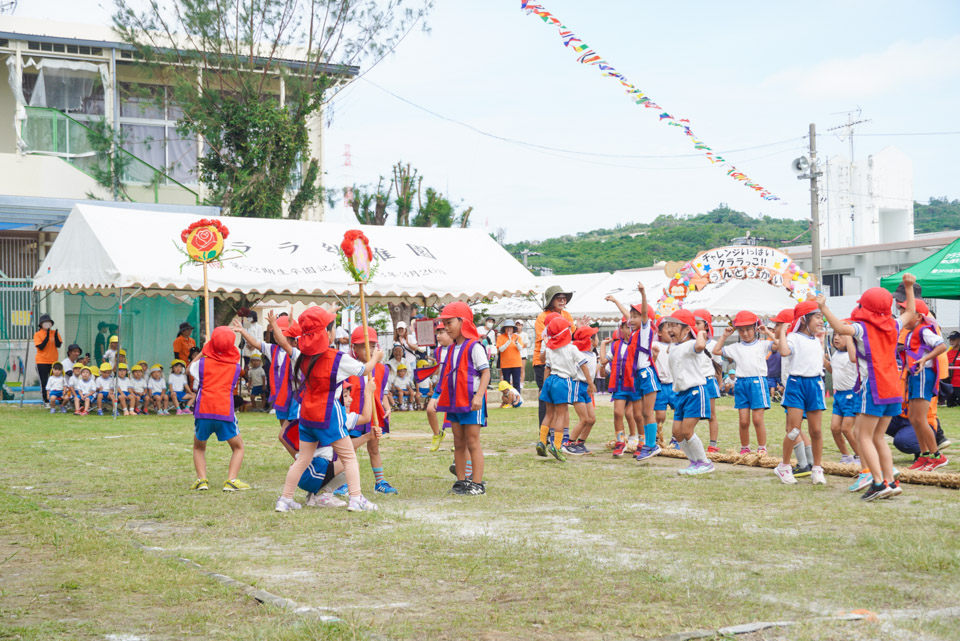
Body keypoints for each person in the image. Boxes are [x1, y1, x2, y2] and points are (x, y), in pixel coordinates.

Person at [272, 307, 383, 513]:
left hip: (306, 415)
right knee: (349, 457)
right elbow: (364, 370)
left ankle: (285, 499)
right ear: (327, 333)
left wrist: (274, 326)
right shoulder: (337, 358)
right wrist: (376, 357)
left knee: (302, 460)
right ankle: (356, 498)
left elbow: (284, 344)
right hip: (328, 415)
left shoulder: (301, 356)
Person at [820, 278, 914, 500]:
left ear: (866, 307)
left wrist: (824, 308)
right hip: (893, 387)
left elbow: (841, 327)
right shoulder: (894, 324)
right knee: (879, 437)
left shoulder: (862, 328)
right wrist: (909, 287)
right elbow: (910, 312)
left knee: (864, 436)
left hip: (873, 386)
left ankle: (879, 483)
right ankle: (890, 480)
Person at [430, 302, 491, 495]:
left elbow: (486, 373)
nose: (446, 327)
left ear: (462, 321)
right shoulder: (449, 349)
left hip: (472, 401)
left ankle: (477, 483)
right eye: (444, 323)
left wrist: (479, 396)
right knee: (458, 442)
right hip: (455, 402)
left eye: (449, 322)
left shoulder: (475, 346)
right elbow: (446, 375)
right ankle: (462, 481)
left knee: (473, 441)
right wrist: (438, 396)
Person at [188, 326, 250, 492]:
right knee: (238, 447)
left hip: (204, 411)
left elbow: (190, 368)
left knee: (199, 447)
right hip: (224, 412)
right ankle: (231, 480)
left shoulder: (202, 364)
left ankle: (202, 480)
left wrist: (204, 350)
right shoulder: (236, 367)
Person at [606, 282, 661, 462]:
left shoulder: (645, 329)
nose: (631, 319)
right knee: (644, 413)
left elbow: (644, 314)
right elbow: (628, 316)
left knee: (647, 413)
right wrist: (616, 302)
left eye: (635, 316)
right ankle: (647, 444)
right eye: (631, 316)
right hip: (638, 376)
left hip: (647, 374)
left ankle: (651, 445)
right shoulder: (635, 331)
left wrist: (643, 293)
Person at [339, 326, 397, 495]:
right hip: (354, 416)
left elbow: (382, 392)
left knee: (374, 448)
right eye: (364, 346)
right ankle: (344, 482)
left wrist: (387, 407)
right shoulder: (349, 367)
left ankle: (380, 482)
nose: (369, 350)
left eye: (372, 346)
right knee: (350, 450)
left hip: (373, 415)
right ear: (354, 348)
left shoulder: (380, 369)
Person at [234, 315, 302, 458]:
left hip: (295, 398)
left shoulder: (298, 352)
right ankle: (300, 460)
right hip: (281, 398)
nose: (276, 334)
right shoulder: (273, 349)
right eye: (274, 331)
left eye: (279, 331)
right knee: (287, 436)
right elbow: (255, 343)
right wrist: (242, 331)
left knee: (288, 435)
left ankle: (302, 461)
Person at [775, 301, 827, 486]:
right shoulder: (794, 337)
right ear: (805, 319)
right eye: (817, 316)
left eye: (822, 316)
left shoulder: (816, 340)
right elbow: (784, 351)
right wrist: (783, 331)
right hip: (796, 384)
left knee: (816, 430)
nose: (821, 320)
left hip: (814, 384)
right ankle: (785, 466)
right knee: (794, 429)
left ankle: (817, 469)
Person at [714, 311, 776, 455]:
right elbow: (716, 350)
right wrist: (724, 336)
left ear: (755, 328)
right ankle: (745, 448)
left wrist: (767, 331)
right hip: (741, 383)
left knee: (757, 419)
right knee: (743, 421)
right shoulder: (735, 347)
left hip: (758, 382)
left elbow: (779, 345)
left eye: (748, 329)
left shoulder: (763, 344)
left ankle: (762, 448)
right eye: (741, 330)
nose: (745, 333)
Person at [661, 310, 714, 475]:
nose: (670, 329)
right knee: (677, 433)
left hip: (695, 392)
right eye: (668, 325)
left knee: (686, 430)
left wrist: (699, 332)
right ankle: (694, 462)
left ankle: (705, 462)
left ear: (686, 329)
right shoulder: (676, 346)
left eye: (674, 325)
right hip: (681, 394)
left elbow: (700, 346)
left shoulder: (691, 344)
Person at [899, 299, 948, 471]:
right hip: (914, 376)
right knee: (913, 418)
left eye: (906, 313)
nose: (901, 316)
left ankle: (936, 456)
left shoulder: (923, 330)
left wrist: (926, 358)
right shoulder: (911, 332)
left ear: (919, 316)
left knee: (920, 418)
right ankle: (924, 455)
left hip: (923, 376)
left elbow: (941, 346)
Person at [537, 317, 591, 462]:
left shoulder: (549, 348)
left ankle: (542, 441)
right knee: (561, 415)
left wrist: (543, 387)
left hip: (550, 381)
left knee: (549, 414)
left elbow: (547, 367)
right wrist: (590, 383)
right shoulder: (572, 348)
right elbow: (584, 365)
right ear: (565, 332)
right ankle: (557, 446)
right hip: (563, 382)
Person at [534, 286, 575, 428]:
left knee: (561, 400)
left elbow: (571, 336)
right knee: (546, 399)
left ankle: (558, 433)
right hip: (544, 361)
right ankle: (544, 433)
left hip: (562, 361)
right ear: (551, 300)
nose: (562, 300)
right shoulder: (542, 317)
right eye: (559, 297)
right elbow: (546, 338)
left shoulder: (567, 315)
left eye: (564, 298)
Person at [600, 319, 641, 457]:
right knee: (618, 412)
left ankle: (641, 442)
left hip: (635, 382)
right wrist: (603, 344)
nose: (629, 330)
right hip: (620, 383)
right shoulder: (616, 345)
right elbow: (603, 361)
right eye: (626, 327)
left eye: (631, 327)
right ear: (621, 330)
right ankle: (620, 442)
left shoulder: (639, 343)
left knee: (637, 415)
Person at [825, 333, 861, 464]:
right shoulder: (836, 354)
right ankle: (846, 455)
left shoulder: (853, 355)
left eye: (840, 335)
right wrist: (824, 361)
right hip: (838, 395)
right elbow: (833, 370)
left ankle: (860, 455)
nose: (836, 338)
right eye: (835, 335)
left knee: (846, 428)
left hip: (851, 394)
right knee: (835, 428)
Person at [691, 309, 723, 453]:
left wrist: (720, 382)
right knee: (692, 413)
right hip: (694, 382)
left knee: (712, 414)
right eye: (694, 323)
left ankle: (713, 444)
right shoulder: (690, 343)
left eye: (698, 323)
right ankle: (684, 440)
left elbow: (718, 364)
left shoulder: (713, 344)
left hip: (709, 381)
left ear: (706, 325)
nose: (696, 326)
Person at [565, 325, 599, 455]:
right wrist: (591, 384)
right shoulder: (580, 354)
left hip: (586, 388)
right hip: (579, 387)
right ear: (590, 340)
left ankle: (580, 443)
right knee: (584, 419)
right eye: (596, 337)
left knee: (591, 419)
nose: (598, 339)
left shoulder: (591, 354)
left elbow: (593, 370)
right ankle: (569, 443)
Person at [428, 321, 453, 452]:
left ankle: (458, 441)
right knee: (430, 410)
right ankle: (437, 434)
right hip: (440, 386)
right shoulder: (437, 351)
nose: (438, 335)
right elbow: (439, 368)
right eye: (437, 332)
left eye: (442, 332)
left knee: (454, 415)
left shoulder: (456, 348)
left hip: (452, 387)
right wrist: (434, 381)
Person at [651, 324, 674, 448]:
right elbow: (651, 365)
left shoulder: (676, 345)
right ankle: (656, 437)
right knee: (660, 415)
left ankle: (676, 438)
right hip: (660, 385)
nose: (670, 331)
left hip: (675, 385)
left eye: (672, 328)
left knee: (679, 412)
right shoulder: (655, 345)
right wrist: (654, 356)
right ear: (659, 333)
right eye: (667, 329)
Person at [33, 313, 63, 405]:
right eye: (44, 322)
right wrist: (47, 337)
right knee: (44, 381)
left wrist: (55, 337)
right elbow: (41, 347)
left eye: (48, 322)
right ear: (41, 324)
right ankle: (45, 400)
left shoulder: (55, 333)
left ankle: (58, 398)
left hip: (53, 361)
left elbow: (58, 345)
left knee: (56, 380)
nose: (47, 324)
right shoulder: (38, 334)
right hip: (41, 361)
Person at [497, 320, 524, 392]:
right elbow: (501, 349)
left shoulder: (517, 337)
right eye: (507, 327)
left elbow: (520, 348)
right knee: (506, 384)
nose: (509, 329)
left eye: (511, 327)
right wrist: (508, 341)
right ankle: (508, 399)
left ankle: (518, 400)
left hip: (516, 363)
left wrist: (516, 342)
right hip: (505, 364)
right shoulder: (500, 337)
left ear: (513, 328)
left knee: (516, 383)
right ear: (504, 329)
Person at [947, 331, 960, 407]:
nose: (951, 341)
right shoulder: (948, 353)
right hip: (950, 385)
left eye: (953, 339)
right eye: (950, 339)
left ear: (959, 340)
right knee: (950, 405)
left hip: (958, 385)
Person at [515, 319, 528, 390]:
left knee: (522, 369)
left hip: (523, 353)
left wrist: (519, 346)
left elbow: (525, 344)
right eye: (517, 325)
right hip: (515, 354)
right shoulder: (514, 334)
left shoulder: (524, 334)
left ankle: (521, 383)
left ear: (522, 326)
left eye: (519, 325)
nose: (518, 326)